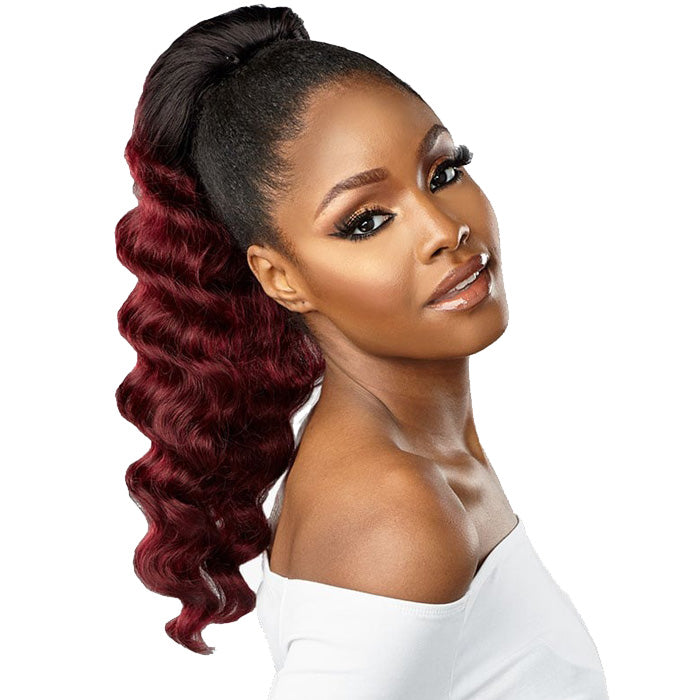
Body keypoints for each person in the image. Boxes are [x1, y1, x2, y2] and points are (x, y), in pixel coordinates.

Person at [115, 5, 609, 698]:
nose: (443, 230)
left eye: (443, 171)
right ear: (281, 277)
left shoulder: (416, 464)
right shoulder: (395, 511)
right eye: (367, 221)